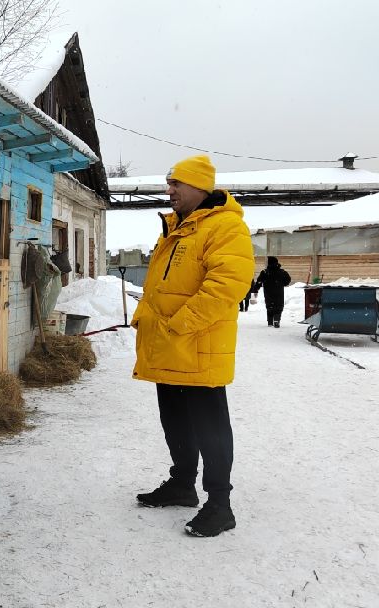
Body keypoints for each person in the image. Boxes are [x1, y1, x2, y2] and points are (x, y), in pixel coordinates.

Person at [130, 155, 254, 538]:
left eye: (176, 185)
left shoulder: (225, 227)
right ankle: (182, 484)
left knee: (210, 427)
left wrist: (181, 323)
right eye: (169, 185)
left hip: (198, 345)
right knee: (175, 420)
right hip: (168, 344)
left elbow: (227, 285)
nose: (169, 192)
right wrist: (145, 316)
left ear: (200, 187)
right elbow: (160, 284)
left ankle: (220, 504)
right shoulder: (176, 227)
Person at [253, 256, 291, 327]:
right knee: (278, 305)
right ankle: (276, 320)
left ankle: (270, 322)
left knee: (269, 306)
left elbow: (259, 281)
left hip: (268, 291)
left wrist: (255, 289)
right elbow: (288, 279)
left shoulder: (265, 272)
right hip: (279, 291)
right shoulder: (282, 272)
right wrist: (283, 283)